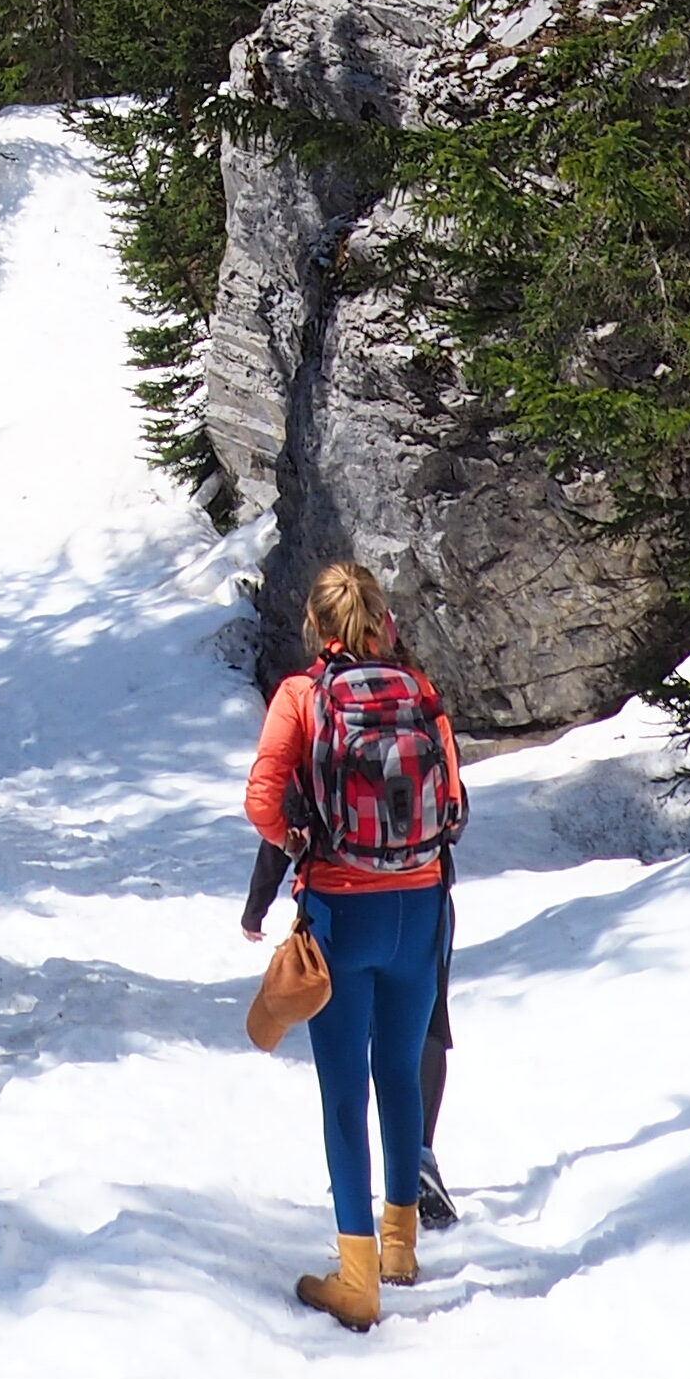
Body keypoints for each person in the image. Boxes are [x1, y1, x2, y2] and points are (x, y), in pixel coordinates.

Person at [240, 556, 464, 1330]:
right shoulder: (418, 690)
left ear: (316, 624)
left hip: (342, 906)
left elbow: (262, 798)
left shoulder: (303, 697)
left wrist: (298, 839)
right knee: (399, 1072)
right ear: (378, 616)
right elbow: (454, 798)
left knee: (344, 1091)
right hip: (420, 903)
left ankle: (357, 1275)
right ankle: (401, 1250)